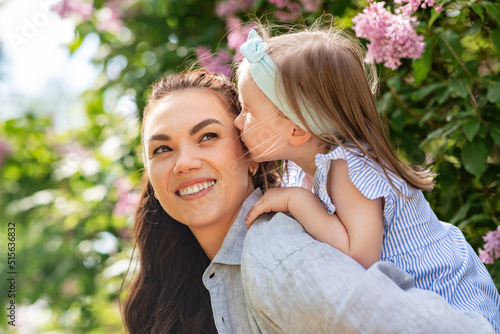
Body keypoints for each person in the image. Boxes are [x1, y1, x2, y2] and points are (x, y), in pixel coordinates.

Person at [123, 70, 494, 334]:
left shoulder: (275, 253)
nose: (184, 161)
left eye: (207, 136)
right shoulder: (203, 278)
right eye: (162, 149)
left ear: (250, 153)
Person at [234, 24, 500, 332]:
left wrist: (297, 201)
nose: (238, 120)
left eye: (248, 110)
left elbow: (358, 258)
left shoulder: (349, 167)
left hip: (447, 300)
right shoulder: (303, 164)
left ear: (297, 130)